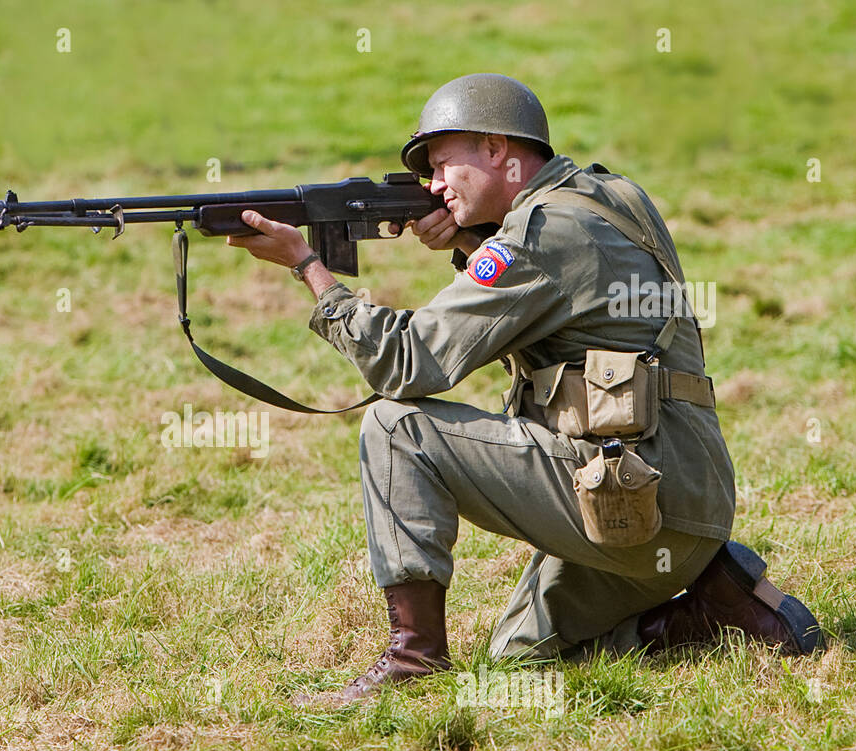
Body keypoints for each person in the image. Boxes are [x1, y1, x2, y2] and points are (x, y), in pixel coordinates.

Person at [226, 73, 821, 708]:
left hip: (632, 498)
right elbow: (565, 300)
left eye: (441, 163)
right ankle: (716, 610)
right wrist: (471, 240)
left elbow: (406, 362)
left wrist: (308, 269)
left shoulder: (539, 235)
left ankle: (413, 659)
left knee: (397, 426)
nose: (432, 184)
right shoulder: (604, 194)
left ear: (495, 149)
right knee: (520, 661)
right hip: (674, 501)